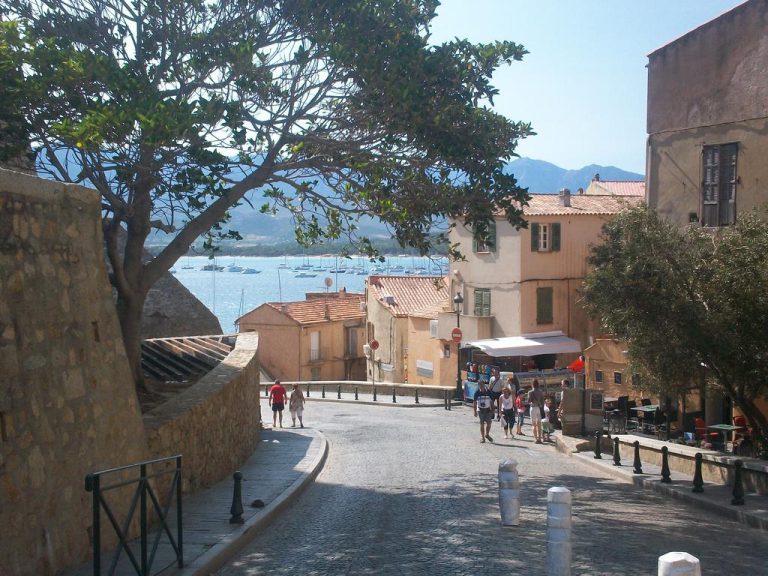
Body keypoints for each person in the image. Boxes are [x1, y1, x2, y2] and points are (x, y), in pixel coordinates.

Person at [527, 379, 545, 444]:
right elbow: (543, 402)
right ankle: (540, 438)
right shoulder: (541, 392)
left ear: (532, 384)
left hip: (533, 408)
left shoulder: (530, 392)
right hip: (539, 408)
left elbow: (528, 401)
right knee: (539, 424)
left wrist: (532, 402)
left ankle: (536, 439)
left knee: (534, 424)